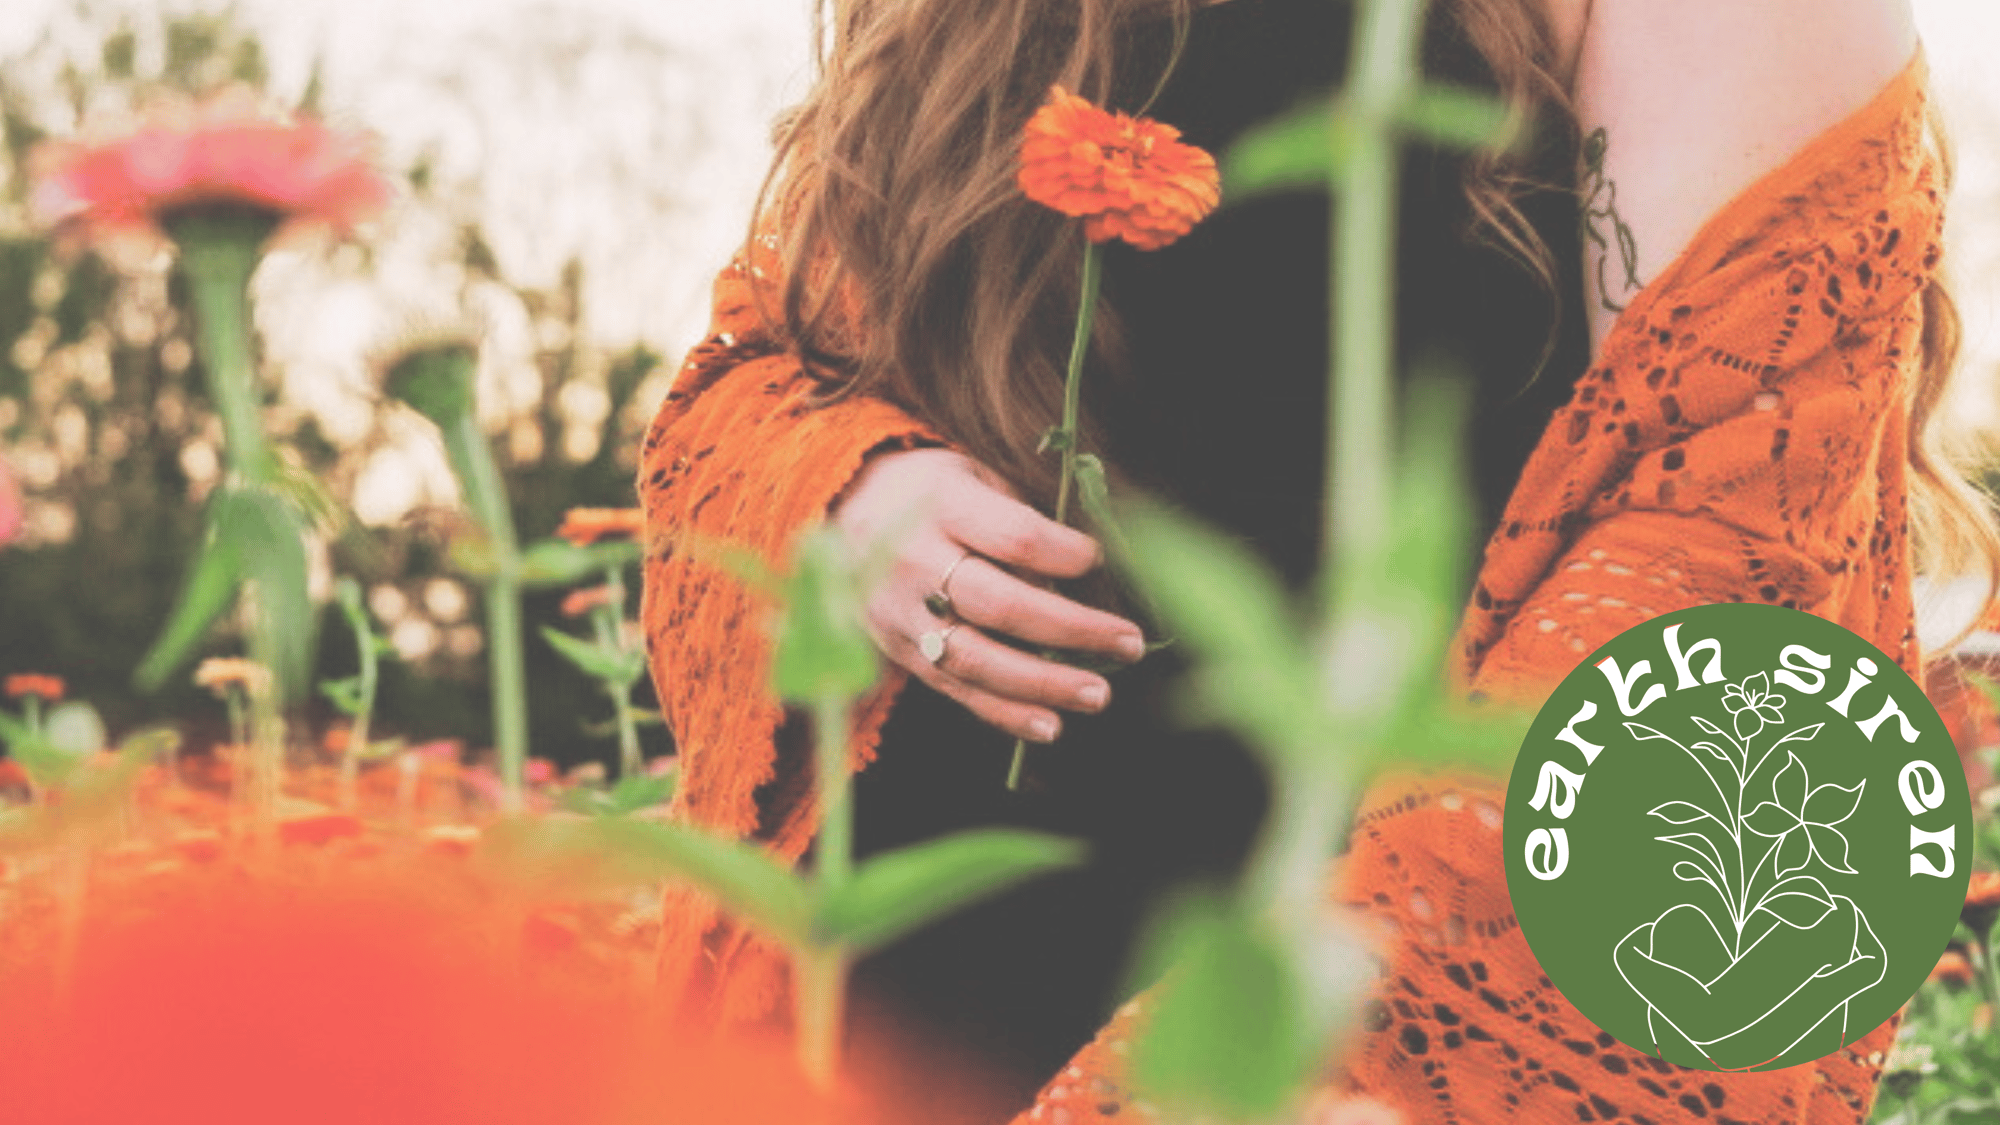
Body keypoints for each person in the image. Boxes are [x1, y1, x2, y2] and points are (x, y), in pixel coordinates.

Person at [638, 0, 1997, 1121]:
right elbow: (765, 371)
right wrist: (851, 495)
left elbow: (1710, 597)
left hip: (1345, 1033)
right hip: (878, 1018)